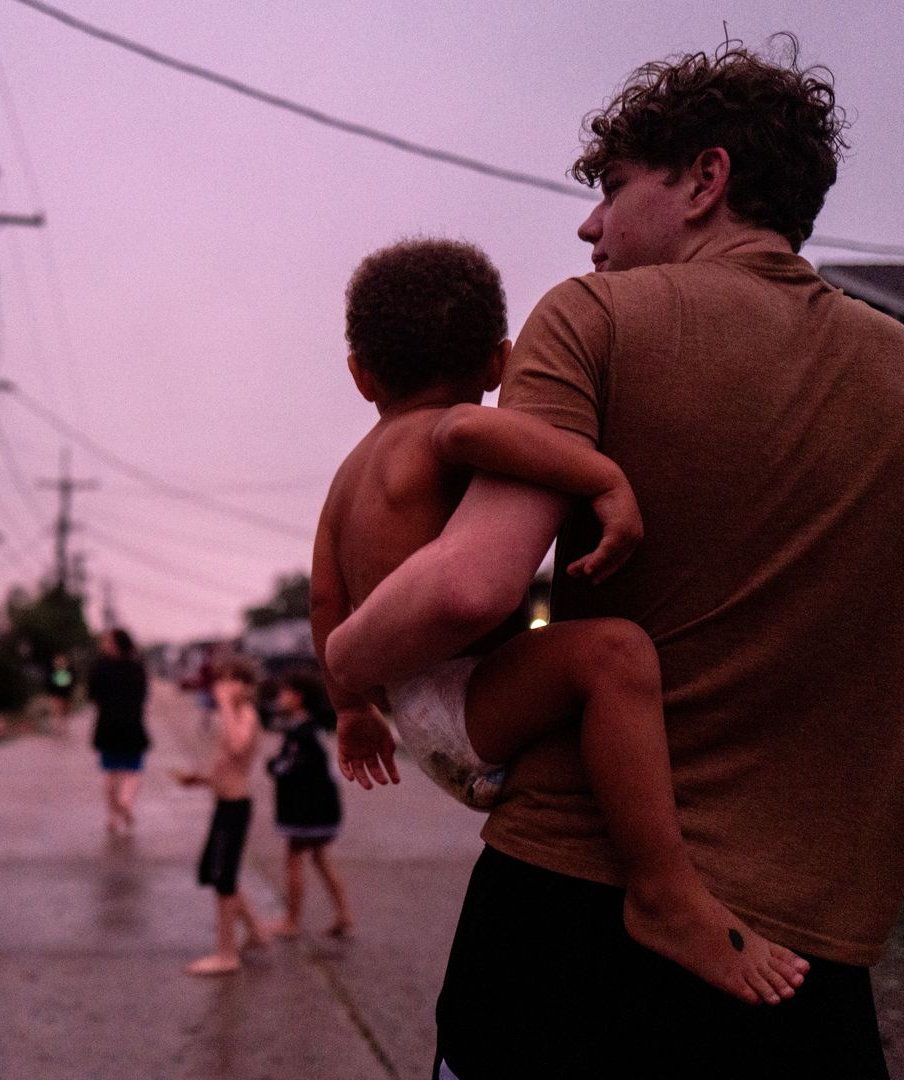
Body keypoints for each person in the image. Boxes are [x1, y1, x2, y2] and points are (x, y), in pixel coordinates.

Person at [325, 38, 904, 1078]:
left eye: (614, 188)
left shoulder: (594, 320)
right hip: (809, 971)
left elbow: (474, 585)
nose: (589, 225)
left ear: (706, 180)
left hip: (567, 940)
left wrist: (348, 663)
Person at [310, 236, 805, 1004]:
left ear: (359, 374)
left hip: (420, 709)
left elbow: (324, 602)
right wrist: (603, 477)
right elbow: (474, 432)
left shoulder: (348, 477)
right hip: (461, 704)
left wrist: (349, 712)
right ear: (500, 364)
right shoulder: (442, 432)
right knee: (613, 655)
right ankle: (663, 894)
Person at [173, 660, 269, 975]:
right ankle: (255, 931)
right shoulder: (234, 714)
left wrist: (225, 704)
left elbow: (238, 748)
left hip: (236, 807)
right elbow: (227, 764)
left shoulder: (247, 715)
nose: (225, 686)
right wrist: (199, 779)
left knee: (224, 879)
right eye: (222, 680)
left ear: (247, 686)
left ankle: (226, 954)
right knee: (214, 872)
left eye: (233, 681)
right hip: (224, 804)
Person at [262, 671, 353, 938]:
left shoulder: (302, 733)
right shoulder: (310, 728)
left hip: (308, 811)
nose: (279, 698)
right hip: (322, 808)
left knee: (293, 859)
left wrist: (273, 766)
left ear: (298, 697)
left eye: (283, 692)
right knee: (320, 858)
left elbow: (289, 767)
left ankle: (291, 920)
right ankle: (344, 913)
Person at [87, 628, 151, 835]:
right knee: (134, 769)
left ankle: (113, 817)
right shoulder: (136, 667)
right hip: (132, 724)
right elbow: (143, 696)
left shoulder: (99, 666)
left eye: (106, 640)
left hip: (107, 724)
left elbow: (92, 695)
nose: (103, 644)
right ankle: (126, 801)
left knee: (111, 772)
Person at [44, 654, 77, 732]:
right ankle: (57, 727)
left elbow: (72, 683)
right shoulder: (52, 672)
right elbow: (49, 684)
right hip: (55, 695)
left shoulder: (69, 672)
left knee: (65, 712)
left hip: (66, 695)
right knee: (56, 711)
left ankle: (63, 726)